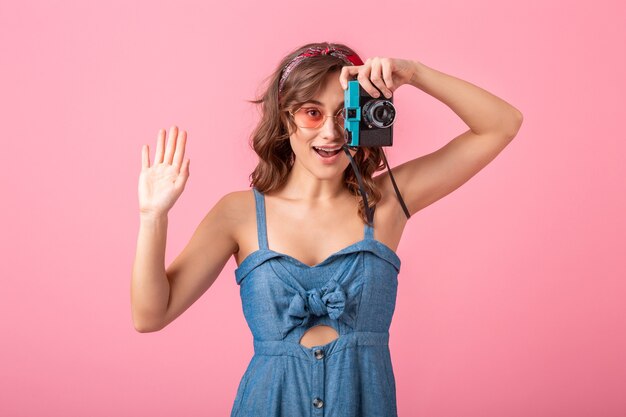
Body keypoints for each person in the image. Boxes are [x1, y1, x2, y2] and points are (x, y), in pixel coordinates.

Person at [131, 42, 523, 416]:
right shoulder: (239, 213)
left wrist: (415, 73)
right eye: (312, 113)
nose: (331, 133)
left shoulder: (389, 202)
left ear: (364, 115)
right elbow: (150, 315)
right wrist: (153, 217)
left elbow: (502, 125)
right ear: (286, 118)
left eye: (344, 112)